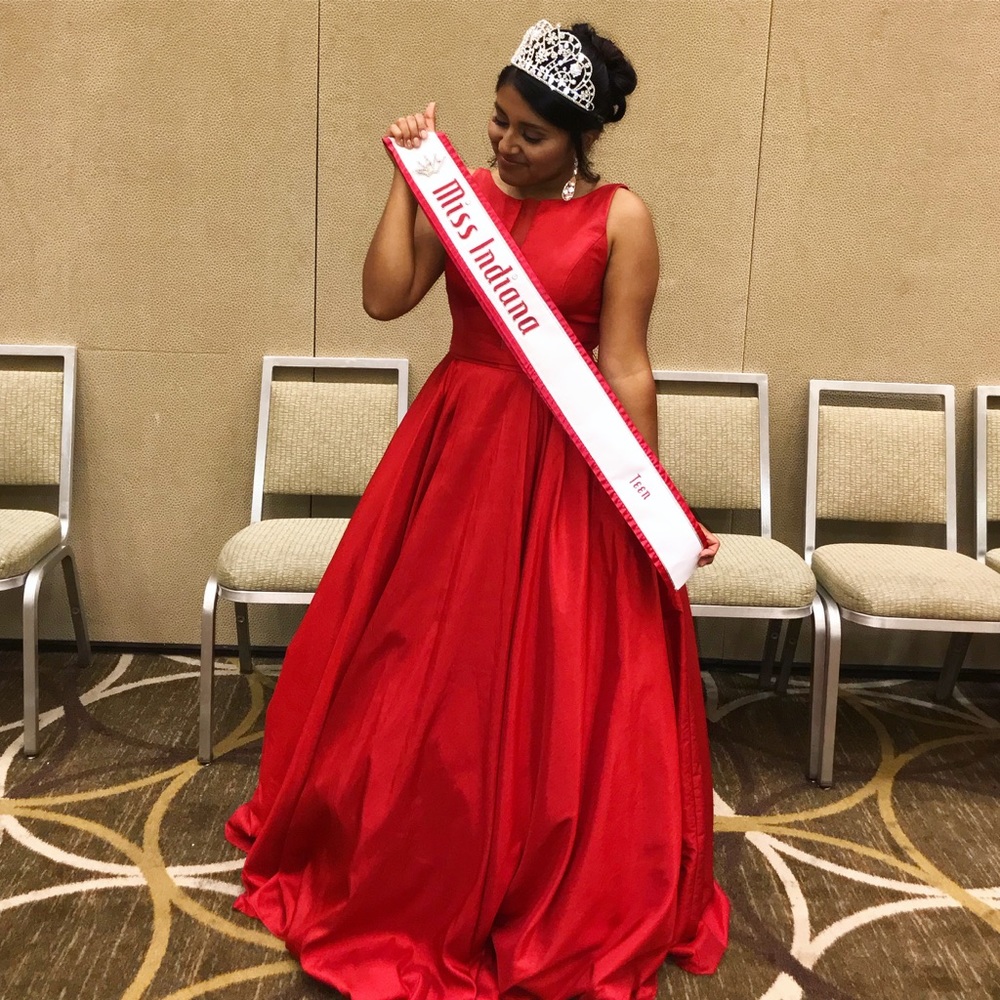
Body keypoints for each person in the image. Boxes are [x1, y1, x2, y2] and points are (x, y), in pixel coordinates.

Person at [226, 19, 729, 999]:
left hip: (566, 465)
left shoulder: (623, 217)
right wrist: (408, 180)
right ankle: (408, 857)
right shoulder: (465, 197)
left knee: (554, 674)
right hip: (456, 451)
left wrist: (647, 499)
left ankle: (540, 870)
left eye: (528, 135)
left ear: (579, 139)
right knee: (418, 666)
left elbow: (623, 362)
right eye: (495, 123)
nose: (503, 145)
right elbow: (384, 298)